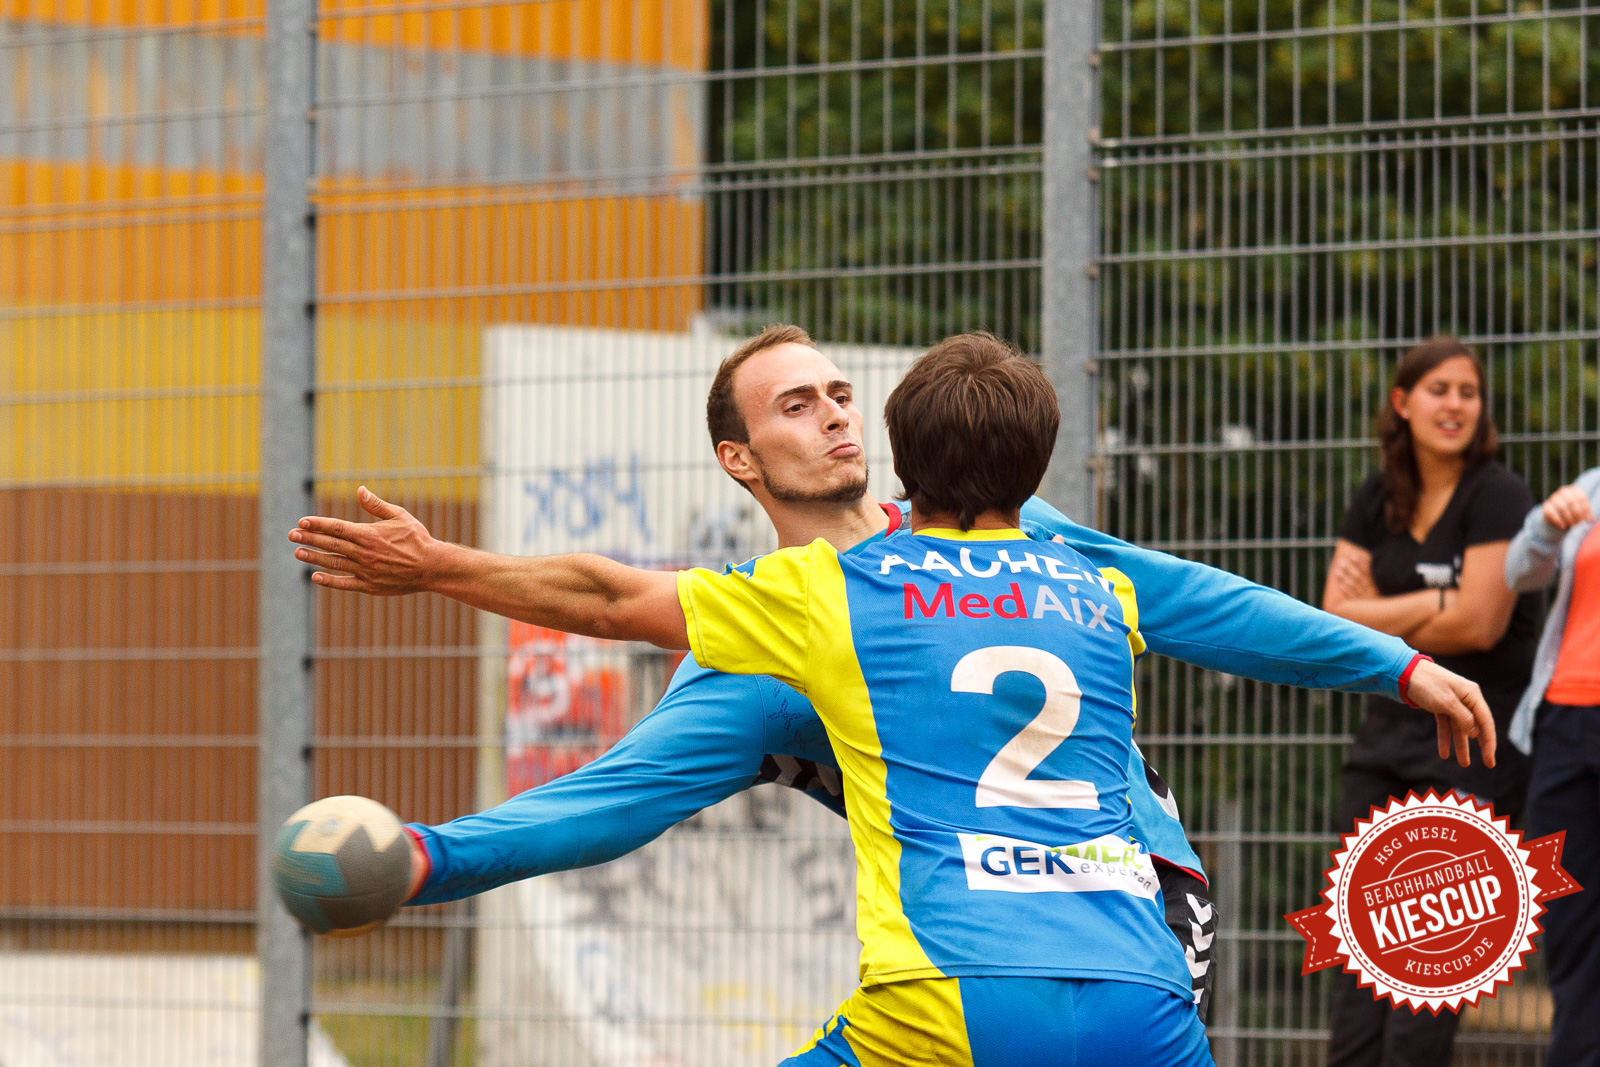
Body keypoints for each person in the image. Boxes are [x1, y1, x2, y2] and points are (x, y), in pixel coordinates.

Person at [293, 333, 1494, 1067]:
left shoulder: (984, 528)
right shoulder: (774, 634)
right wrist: (425, 856)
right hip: (1012, 962)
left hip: (1138, 914)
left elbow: (1203, 599)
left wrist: (1383, 659)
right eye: (792, 405)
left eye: (834, 391)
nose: (828, 414)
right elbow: (612, 799)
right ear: (738, 458)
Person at [1320, 336, 1538, 1067]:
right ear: (1402, 402)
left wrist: (1388, 607)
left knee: (1429, 968)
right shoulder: (1377, 498)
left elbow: (1481, 623)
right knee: (1360, 964)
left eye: (1468, 392)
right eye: (1439, 389)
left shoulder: (1501, 495)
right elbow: (1332, 615)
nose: (1455, 405)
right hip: (1385, 745)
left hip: (1473, 752)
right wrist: (1438, 597)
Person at [1505, 468, 1600, 1067]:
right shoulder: (1591, 487)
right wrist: (1544, 523)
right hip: (1564, 720)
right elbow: (1520, 572)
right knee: (1570, 932)